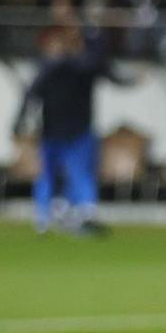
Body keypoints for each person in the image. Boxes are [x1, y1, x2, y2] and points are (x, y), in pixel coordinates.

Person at [14, 26, 133, 235]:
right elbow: (31, 94)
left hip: (72, 131)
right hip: (60, 131)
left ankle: (65, 215)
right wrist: (20, 119)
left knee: (71, 174)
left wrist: (20, 119)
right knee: (64, 174)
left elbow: (30, 94)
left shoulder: (60, 69)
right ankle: (67, 214)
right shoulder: (75, 68)